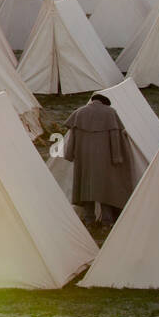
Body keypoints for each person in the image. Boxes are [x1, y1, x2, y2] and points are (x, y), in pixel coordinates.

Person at [62, 93, 135, 224]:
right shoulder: (110, 113)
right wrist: (117, 156)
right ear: (104, 103)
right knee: (105, 189)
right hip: (105, 158)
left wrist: (69, 154)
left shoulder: (79, 113)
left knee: (86, 188)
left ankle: (89, 219)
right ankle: (107, 220)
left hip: (84, 158)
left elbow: (73, 136)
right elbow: (115, 137)